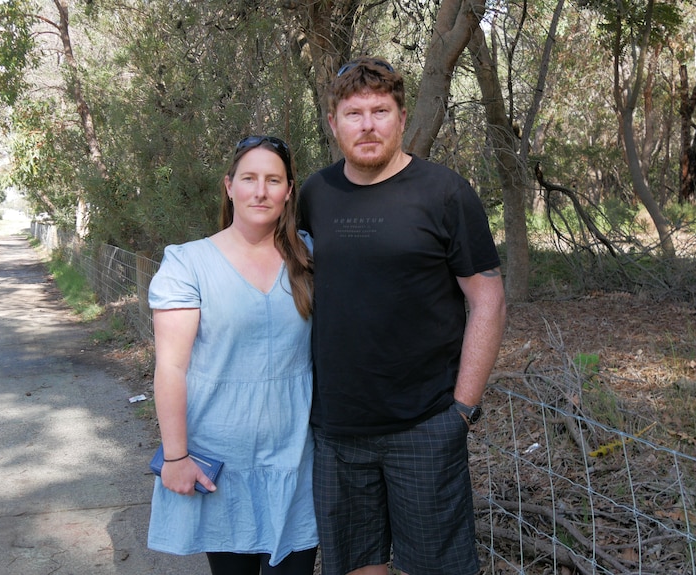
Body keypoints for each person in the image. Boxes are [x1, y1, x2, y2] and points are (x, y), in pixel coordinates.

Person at [297, 57, 507, 575]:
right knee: (358, 565)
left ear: (401, 116)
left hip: (426, 423)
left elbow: (489, 299)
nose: (367, 125)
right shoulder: (315, 195)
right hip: (338, 426)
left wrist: (463, 409)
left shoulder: (445, 193)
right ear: (333, 123)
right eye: (353, 113)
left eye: (380, 111)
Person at [147, 135, 318, 575]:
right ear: (229, 186)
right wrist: (175, 456)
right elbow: (171, 367)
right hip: (222, 460)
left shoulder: (310, 256)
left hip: (295, 459)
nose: (260, 191)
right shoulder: (188, 263)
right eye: (249, 178)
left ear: (288, 190)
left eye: (273, 180)